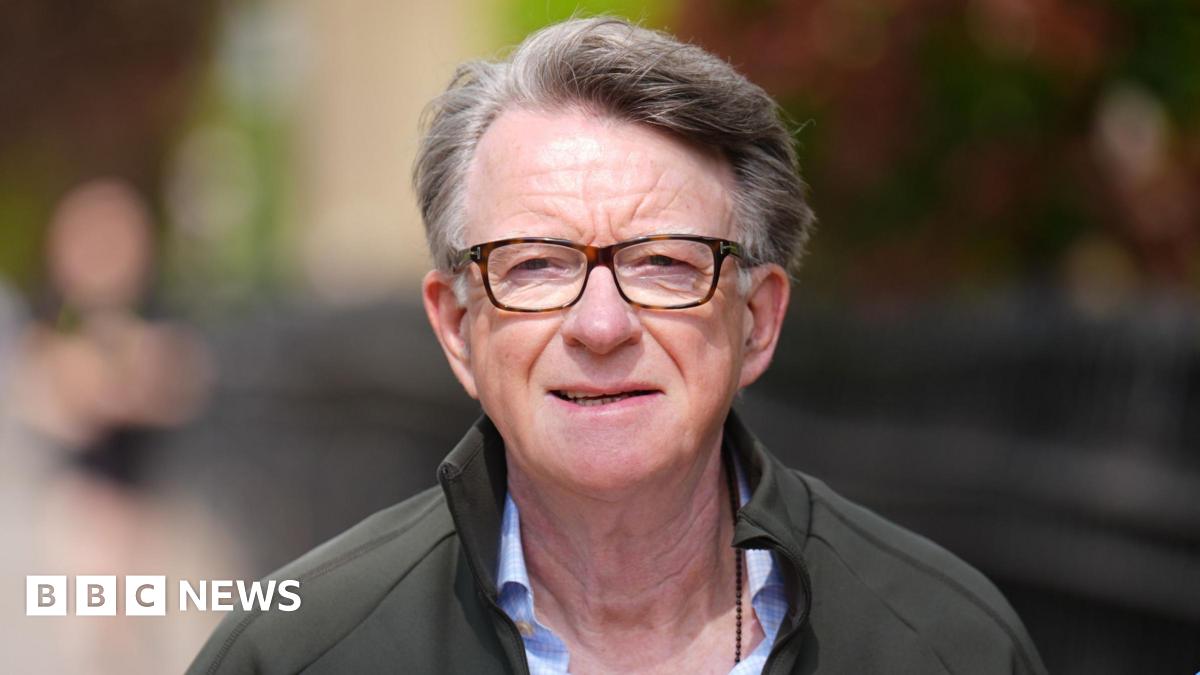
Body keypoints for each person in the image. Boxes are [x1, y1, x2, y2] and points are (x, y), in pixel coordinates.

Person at [189, 17, 1046, 674]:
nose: (601, 326)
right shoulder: (297, 655)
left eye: (666, 263)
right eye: (534, 264)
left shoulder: (948, 646)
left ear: (759, 319)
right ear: (456, 326)